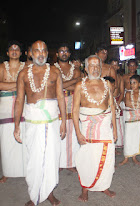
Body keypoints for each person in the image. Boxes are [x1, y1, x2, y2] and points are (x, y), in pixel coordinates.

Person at [14, 40, 66, 206]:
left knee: (51, 157)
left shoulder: (55, 72)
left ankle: (49, 192)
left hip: (51, 121)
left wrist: (64, 121)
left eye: (44, 50)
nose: (41, 53)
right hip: (32, 122)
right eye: (37, 51)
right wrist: (16, 126)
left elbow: (60, 98)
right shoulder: (23, 74)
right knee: (34, 158)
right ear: (30, 53)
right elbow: (20, 100)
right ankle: (34, 193)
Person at [73, 55, 117, 202]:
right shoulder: (80, 85)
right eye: (91, 65)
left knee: (107, 156)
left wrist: (115, 130)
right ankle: (85, 188)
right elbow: (74, 111)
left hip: (105, 125)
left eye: (97, 65)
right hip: (87, 125)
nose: (95, 68)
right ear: (86, 69)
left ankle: (104, 185)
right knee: (87, 157)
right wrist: (78, 133)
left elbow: (112, 107)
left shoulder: (107, 84)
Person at [0, 41, 26, 183]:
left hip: (23, 103)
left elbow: (30, 84)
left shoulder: (27, 67)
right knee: (6, 139)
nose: (14, 51)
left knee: (24, 136)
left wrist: (13, 86)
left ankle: (25, 170)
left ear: (21, 53)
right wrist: (20, 84)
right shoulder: (1, 67)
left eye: (17, 49)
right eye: (11, 49)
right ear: (7, 53)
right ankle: (7, 171)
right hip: (6, 105)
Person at [54, 43, 81, 172]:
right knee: (57, 131)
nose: (64, 53)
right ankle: (58, 162)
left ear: (69, 54)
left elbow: (78, 86)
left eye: (66, 51)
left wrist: (60, 85)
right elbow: (53, 86)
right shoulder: (52, 69)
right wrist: (72, 82)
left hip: (72, 101)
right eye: (61, 51)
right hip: (56, 102)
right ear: (57, 54)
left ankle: (71, 162)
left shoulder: (75, 69)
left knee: (72, 132)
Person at [120, 75, 140, 166]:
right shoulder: (127, 93)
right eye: (130, 83)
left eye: (134, 83)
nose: (132, 85)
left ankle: (134, 156)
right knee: (128, 136)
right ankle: (126, 157)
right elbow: (127, 103)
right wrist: (138, 104)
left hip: (139, 118)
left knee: (136, 137)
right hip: (130, 118)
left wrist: (136, 104)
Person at [109, 58, 125, 153]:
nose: (114, 67)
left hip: (117, 100)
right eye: (112, 65)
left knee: (118, 124)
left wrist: (117, 103)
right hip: (109, 101)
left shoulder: (120, 78)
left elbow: (122, 92)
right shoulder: (107, 77)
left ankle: (118, 144)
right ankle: (111, 145)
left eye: (116, 65)